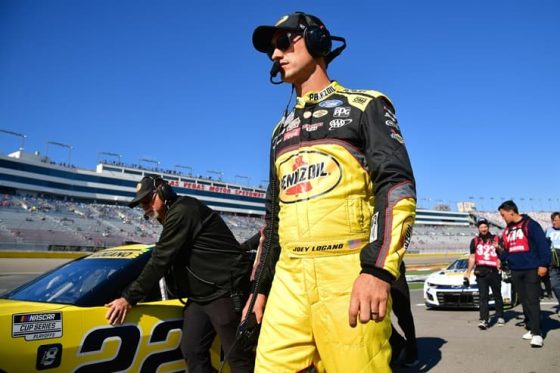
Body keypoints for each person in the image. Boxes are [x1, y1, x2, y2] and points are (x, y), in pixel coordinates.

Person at [244, 12, 416, 372]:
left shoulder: (366, 105)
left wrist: (378, 271)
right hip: (289, 282)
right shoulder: (280, 130)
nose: (275, 54)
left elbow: (396, 185)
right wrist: (261, 289)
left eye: (283, 42)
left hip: (349, 273)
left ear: (318, 41)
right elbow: (272, 219)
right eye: (270, 50)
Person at [105, 175, 254, 373]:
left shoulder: (183, 210)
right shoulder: (172, 216)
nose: (147, 207)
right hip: (200, 297)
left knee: (238, 359)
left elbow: (159, 260)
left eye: (148, 200)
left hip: (224, 292)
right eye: (142, 205)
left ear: (164, 192)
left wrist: (128, 298)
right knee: (192, 350)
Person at [496, 200, 551, 348]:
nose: (502, 218)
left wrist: (543, 264)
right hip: (516, 270)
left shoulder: (531, 225)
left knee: (532, 300)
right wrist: (500, 258)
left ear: (511, 211)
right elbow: (507, 250)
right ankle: (530, 327)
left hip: (531, 269)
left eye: (503, 215)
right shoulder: (507, 230)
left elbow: (542, 245)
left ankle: (537, 333)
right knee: (524, 301)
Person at [464, 218, 504, 329]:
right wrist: (468, 272)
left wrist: (498, 247)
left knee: (497, 295)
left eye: (485, 226)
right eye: (481, 227)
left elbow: (502, 253)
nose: (483, 229)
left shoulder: (496, 238)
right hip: (481, 272)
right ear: (478, 228)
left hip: (494, 271)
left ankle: (500, 315)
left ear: (488, 227)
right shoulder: (475, 241)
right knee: (483, 297)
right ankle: (484, 320)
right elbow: (472, 257)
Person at [389, 261, 419, 367]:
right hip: (364, 266)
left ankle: (412, 351)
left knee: (403, 312)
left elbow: (402, 244)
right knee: (375, 314)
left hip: (392, 266)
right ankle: (398, 343)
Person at [545, 211, 560, 314]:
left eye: (556, 220)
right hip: (552, 261)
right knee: (554, 285)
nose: (554, 222)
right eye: (552, 220)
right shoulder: (548, 231)